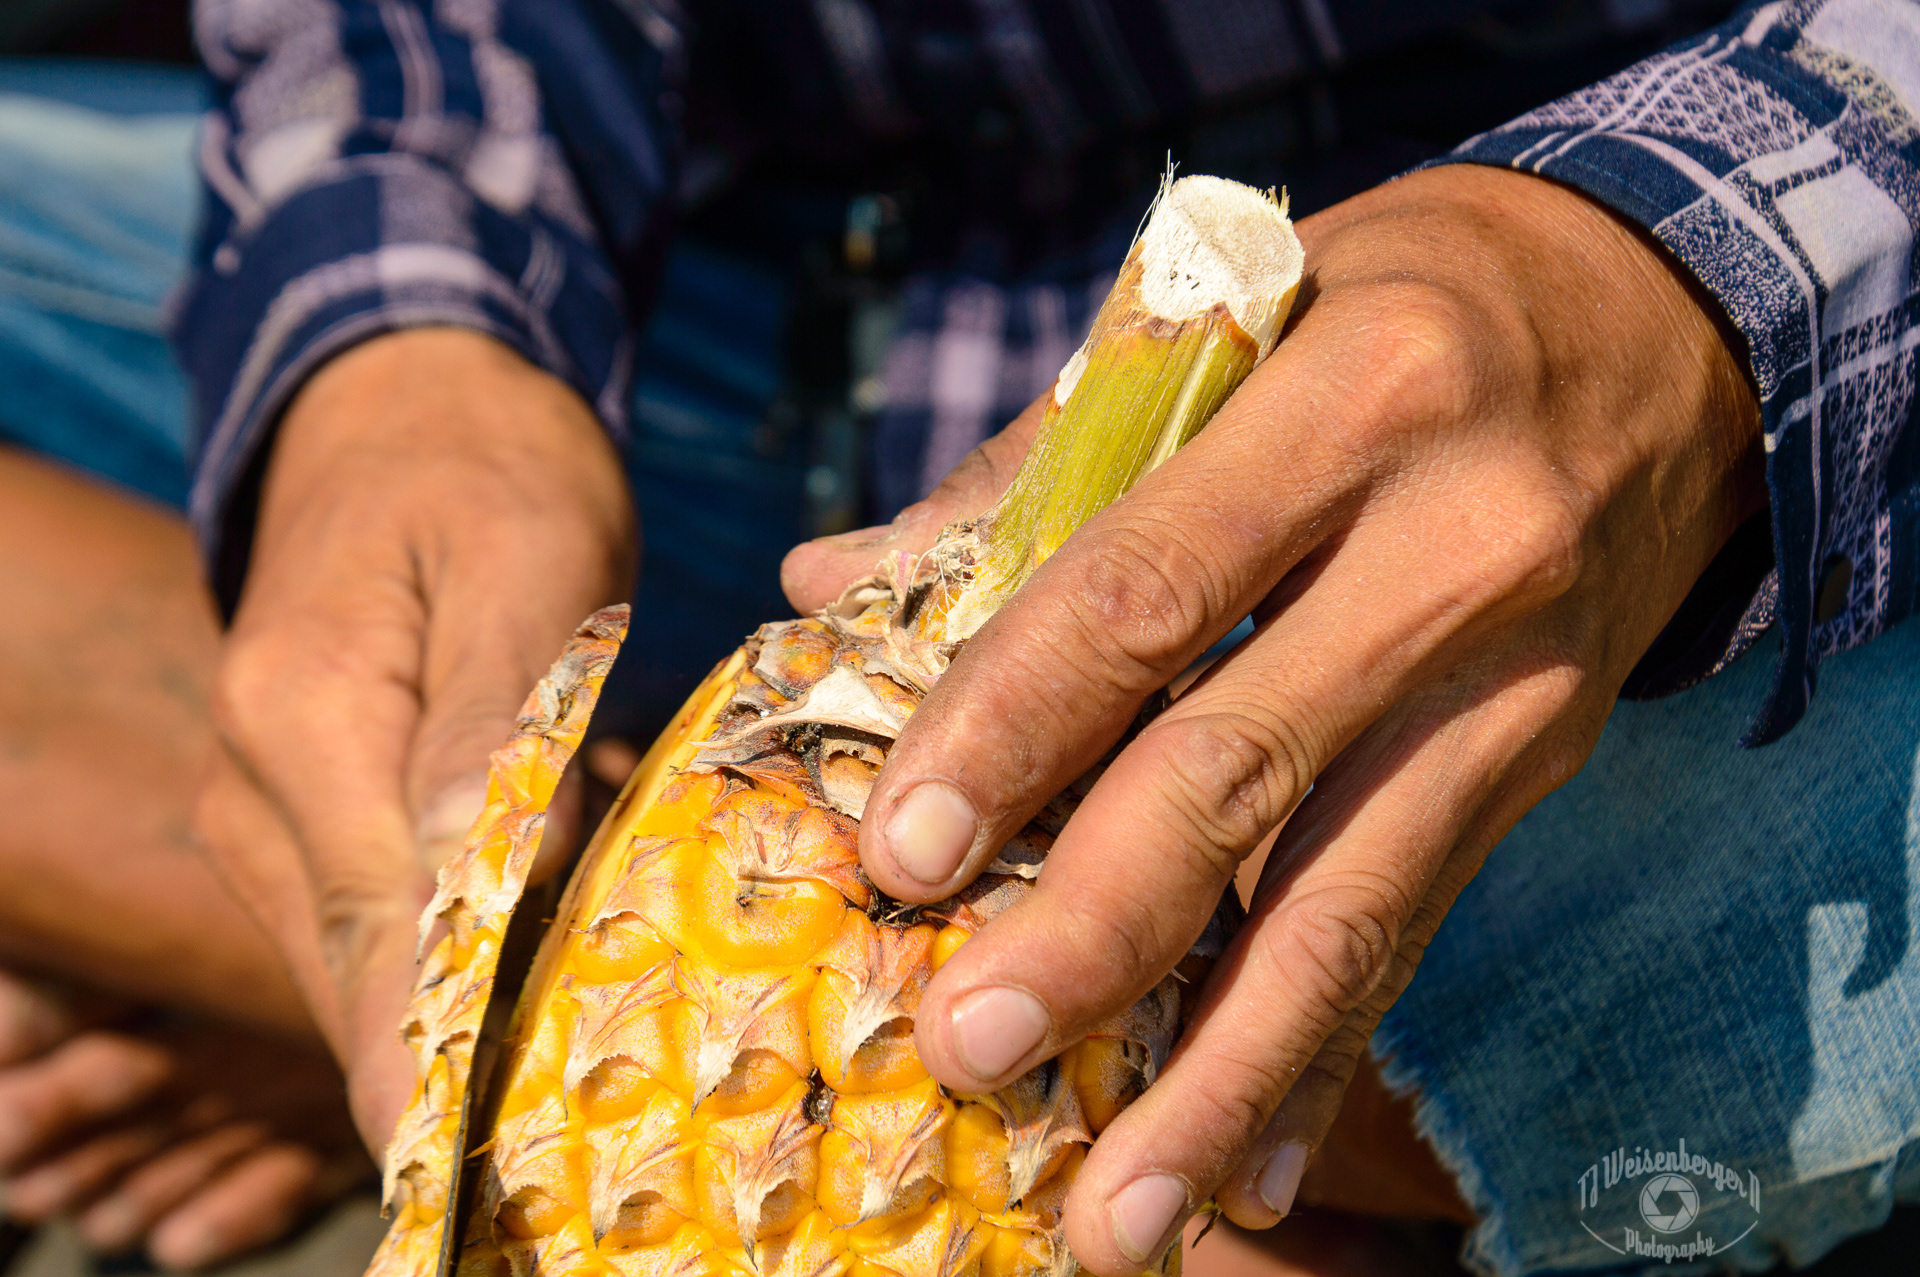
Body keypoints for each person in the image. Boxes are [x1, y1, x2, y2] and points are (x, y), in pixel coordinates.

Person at [5, 2, 1920, 1273]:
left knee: (1841, 869)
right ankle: (662, 1037)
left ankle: (512, 1001)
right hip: (731, 286)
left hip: (1481, 392)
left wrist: (1678, 271)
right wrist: (400, 338)